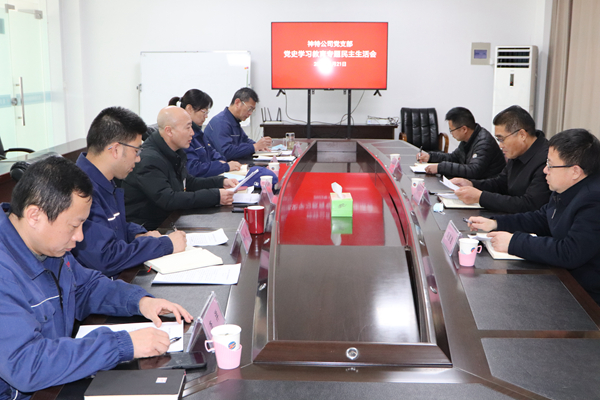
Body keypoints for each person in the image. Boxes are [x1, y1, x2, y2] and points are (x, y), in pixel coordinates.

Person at [0, 156, 193, 400]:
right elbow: (27, 364)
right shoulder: (5, 271)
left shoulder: (48, 246)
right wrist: (122, 345)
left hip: (56, 379)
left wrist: (140, 301)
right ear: (34, 215)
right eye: (74, 225)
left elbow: (86, 287)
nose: (80, 237)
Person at [468, 129, 600, 303]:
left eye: (551, 165)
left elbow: (570, 252)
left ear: (575, 171)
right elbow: (542, 218)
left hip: (586, 298)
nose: (545, 170)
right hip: (563, 279)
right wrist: (496, 223)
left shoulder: (593, 200)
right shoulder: (566, 187)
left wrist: (514, 242)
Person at [71, 107, 186, 277]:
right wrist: (165, 245)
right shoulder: (79, 191)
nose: (138, 159)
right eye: (136, 151)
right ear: (116, 150)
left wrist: (138, 233)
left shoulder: (103, 179)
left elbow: (114, 224)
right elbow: (105, 258)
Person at [123, 106, 237, 230]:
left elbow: (188, 182)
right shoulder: (148, 160)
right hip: (149, 228)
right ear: (169, 131)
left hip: (170, 220)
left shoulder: (174, 151)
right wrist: (215, 196)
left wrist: (221, 182)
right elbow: (168, 199)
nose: (192, 133)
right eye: (188, 127)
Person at [451, 105, 551, 213]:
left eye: (502, 139)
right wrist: (471, 184)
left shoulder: (546, 160)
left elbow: (529, 205)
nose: (500, 145)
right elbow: (501, 183)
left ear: (522, 135)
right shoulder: (517, 151)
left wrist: (481, 197)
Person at [169, 89, 242, 177]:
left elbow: (211, 153)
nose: (206, 116)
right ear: (189, 109)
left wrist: (223, 163)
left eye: (207, 112)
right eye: (204, 112)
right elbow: (193, 169)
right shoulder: (182, 135)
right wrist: (223, 166)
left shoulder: (198, 132)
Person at [417, 107, 505, 179]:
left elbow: (473, 170)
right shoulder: (468, 139)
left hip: (487, 188)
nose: (451, 133)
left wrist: (440, 167)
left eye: (451, 130)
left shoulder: (484, 143)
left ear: (464, 129)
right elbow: (454, 157)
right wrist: (430, 157)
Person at [204, 87, 272, 160]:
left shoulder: (234, 120)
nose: (250, 113)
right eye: (249, 109)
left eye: (252, 110)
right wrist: (254, 147)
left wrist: (258, 146)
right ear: (237, 103)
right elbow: (226, 152)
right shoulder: (220, 122)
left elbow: (245, 140)